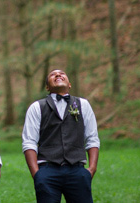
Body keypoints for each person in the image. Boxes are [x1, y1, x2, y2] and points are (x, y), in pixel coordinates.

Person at [22, 69, 100, 203]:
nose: (58, 75)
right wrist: (37, 174)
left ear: (69, 84)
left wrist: (92, 169)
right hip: (47, 170)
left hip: (77, 170)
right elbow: (29, 142)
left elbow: (92, 138)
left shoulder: (83, 105)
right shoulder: (36, 107)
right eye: (53, 74)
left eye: (62, 73)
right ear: (47, 87)